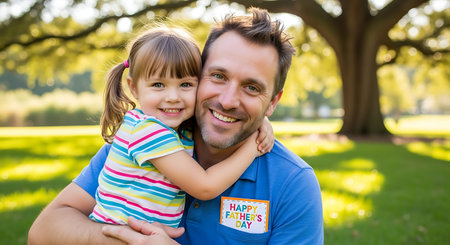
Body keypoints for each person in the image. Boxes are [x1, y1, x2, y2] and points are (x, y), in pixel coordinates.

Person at [28, 7, 324, 245]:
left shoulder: (292, 184)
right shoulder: (148, 140)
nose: (229, 100)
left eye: (251, 88)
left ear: (272, 102)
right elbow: (43, 232)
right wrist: (124, 239)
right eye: (218, 76)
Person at [86, 27, 272, 228]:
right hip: (120, 235)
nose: (173, 97)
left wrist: (259, 119)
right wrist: (253, 147)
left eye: (185, 85)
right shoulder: (148, 132)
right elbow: (205, 187)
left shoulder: (176, 128)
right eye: (158, 84)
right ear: (133, 87)